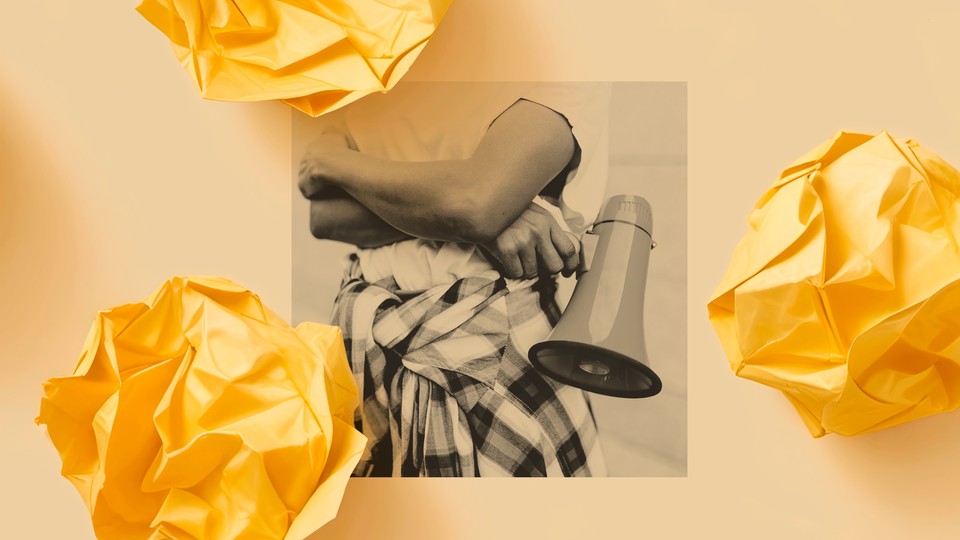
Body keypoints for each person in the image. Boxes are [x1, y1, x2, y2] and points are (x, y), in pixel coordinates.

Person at [298, 82, 612, 477]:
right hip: (367, 344)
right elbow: (325, 217)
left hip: (496, 343)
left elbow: (472, 203)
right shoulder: (381, 77)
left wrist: (332, 163)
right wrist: (463, 209)